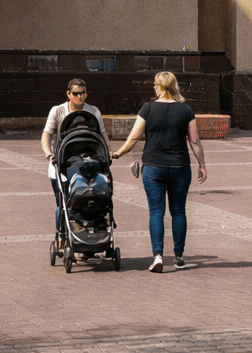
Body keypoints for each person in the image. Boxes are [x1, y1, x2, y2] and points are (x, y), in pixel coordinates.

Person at [111, 71, 207, 273]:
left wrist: (119, 153)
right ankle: (179, 256)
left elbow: (134, 137)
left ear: (160, 86)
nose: (154, 87)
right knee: (178, 211)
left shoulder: (148, 109)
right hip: (179, 168)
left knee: (156, 212)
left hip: (153, 168)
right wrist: (202, 165)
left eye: (155, 84)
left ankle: (157, 256)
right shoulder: (186, 110)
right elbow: (195, 140)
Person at [41, 80, 109, 251]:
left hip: (90, 162)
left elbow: (102, 134)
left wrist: (107, 153)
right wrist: (48, 152)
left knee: (94, 195)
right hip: (62, 163)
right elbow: (47, 134)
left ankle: (90, 229)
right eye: (77, 93)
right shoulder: (58, 111)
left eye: (84, 93)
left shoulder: (93, 111)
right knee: (63, 201)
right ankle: (63, 233)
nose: (80, 97)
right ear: (69, 94)